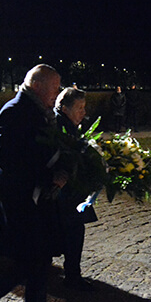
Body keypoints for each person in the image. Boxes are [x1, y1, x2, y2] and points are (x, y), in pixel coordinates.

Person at [0, 64, 74, 302]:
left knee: (38, 263)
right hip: (21, 203)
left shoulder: (39, 112)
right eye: (54, 88)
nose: (57, 94)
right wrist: (49, 175)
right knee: (31, 263)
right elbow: (9, 162)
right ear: (37, 86)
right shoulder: (14, 112)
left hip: (37, 201)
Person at [55, 87, 97, 291]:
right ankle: (72, 276)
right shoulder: (60, 129)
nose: (83, 112)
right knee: (71, 233)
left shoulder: (69, 126)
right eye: (79, 108)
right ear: (65, 108)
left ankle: (72, 274)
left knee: (72, 233)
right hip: (65, 196)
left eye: (84, 107)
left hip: (71, 194)